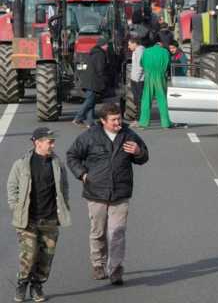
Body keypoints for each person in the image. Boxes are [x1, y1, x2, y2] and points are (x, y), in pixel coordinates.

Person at [66, 103, 149, 286]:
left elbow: (143, 157)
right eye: (113, 120)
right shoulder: (89, 136)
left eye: (119, 118)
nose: (118, 122)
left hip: (120, 193)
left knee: (117, 233)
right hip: (95, 193)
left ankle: (116, 269)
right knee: (98, 233)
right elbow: (72, 156)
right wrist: (82, 174)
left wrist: (138, 152)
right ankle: (98, 264)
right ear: (103, 121)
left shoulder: (129, 135)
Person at [7, 127, 71, 302]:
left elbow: (64, 187)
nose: (53, 144)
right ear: (37, 142)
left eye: (52, 141)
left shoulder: (57, 164)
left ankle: (37, 286)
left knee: (45, 258)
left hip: (50, 219)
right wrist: (16, 207)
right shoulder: (21, 164)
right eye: (50, 141)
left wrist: (63, 206)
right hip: (28, 220)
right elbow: (12, 188)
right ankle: (22, 284)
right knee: (29, 255)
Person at [73, 37, 108, 128]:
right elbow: (100, 69)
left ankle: (90, 122)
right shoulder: (100, 54)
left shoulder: (89, 54)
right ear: (102, 45)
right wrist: (104, 79)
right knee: (90, 100)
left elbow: (81, 67)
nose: (107, 46)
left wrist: (80, 75)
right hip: (93, 81)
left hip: (86, 80)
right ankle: (78, 118)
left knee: (91, 101)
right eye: (106, 45)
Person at [138, 43, 173, 129]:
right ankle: (166, 123)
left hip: (149, 76)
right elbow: (168, 63)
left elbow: (141, 63)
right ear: (160, 44)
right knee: (162, 100)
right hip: (160, 77)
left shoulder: (146, 51)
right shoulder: (165, 51)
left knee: (146, 99)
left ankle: (143, 123)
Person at [128, 37, 145, 126]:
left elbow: (140, 66)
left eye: (129, 44)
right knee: (136, 100)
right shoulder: (136, 51)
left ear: (135, 43)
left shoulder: (140, 51)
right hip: (135, 79)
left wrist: (136, 79)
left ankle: (139, 120)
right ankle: (138, 119)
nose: (128, 46)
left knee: (139, 100)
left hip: (139, 80)